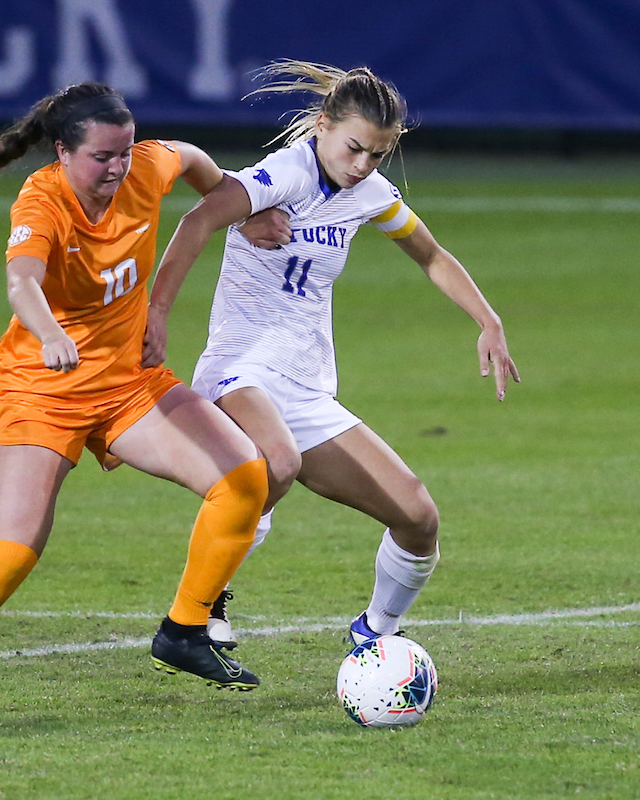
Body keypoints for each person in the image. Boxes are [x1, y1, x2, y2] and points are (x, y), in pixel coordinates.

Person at [0, 82, 271, 719]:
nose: (118, 167)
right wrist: (51, 331)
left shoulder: (144, 167)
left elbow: (195, 159)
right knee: (13, 549)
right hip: (42, 390)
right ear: (62, 151)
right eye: (102, 157)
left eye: (124, 151)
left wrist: (239, 205)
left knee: (245, 476)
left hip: (127, 384)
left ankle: (183, 630)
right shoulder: (43, 201)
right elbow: (21, 280)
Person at [143, 60, 520, 649]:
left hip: (305, 384)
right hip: (239, 369)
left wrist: (488, 319)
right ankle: (201, 603)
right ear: (321, 125)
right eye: (354, 149)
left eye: (377, 154)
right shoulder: (283, 174)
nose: (363, 164)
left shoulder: (369, 193)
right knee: (278, 460)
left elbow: (431, 255)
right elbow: (199, 219)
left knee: (419, 519)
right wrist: (158, 313)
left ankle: (377, 633)